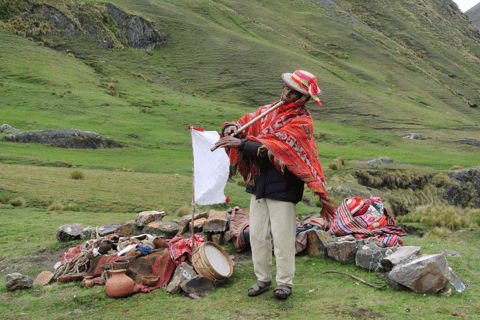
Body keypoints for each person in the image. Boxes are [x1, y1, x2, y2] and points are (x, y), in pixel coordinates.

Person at [214, 70, 335, 300]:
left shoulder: (302, 121)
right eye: (286, 88)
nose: (286, 93)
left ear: (302, 98)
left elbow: (275, 146)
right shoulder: (266, 112)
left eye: (293, 92)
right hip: (259, 182)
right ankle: (262, 279)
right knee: (258, 235)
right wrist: (232, 127)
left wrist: (240, 143)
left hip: (284, 185)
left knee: (282, 237)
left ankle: (285, 283)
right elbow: (244, 123)